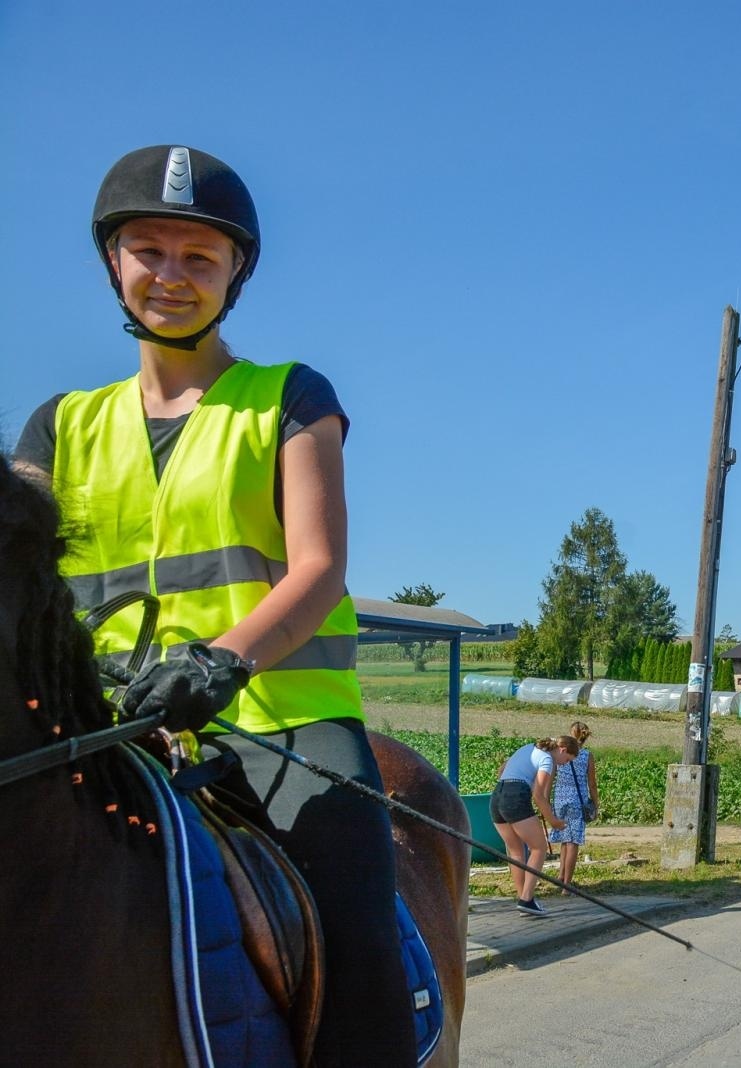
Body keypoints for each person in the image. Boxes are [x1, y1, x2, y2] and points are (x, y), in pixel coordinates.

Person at [12, 144, 419, 1065]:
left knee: (353, 917)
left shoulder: (290, 398)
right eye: (148, 250)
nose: (171, 275)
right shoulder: (58, 424)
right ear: (112, 263)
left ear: (236, 274)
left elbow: (316, 568)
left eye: (200, 257)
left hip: (278, 721)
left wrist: (220, 662)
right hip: (98, 725)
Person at [490, 736, 574, 914]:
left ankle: (523, 898)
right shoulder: (547, 759)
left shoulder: (527, 748)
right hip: (515, 796)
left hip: (497, 796)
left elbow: (501, 771)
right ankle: (527, 899)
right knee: (539, 848)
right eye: (567, 760)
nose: (564, 764)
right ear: (563, 750)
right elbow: (538, 795)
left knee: (516, 851)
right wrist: (553, 821)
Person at [549, 720, 599, 892]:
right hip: (577, 800)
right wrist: (596, 804)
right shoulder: (586, 756)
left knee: (564, 839)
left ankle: (560, 877)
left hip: (559, 798)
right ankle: (567, 884)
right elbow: (591, 783)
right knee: (573, 842)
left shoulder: (559, 752)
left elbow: (551, 776)